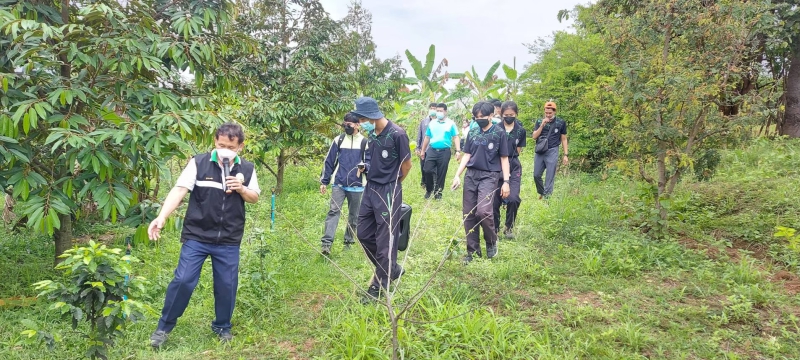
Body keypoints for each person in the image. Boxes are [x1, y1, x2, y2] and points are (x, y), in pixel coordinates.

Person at [147, 123, 260, 347]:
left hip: (228, 238)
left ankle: (222, 326)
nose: (224, 150)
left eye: (230, 146)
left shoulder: (247, 168)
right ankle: (163, 328)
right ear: (214, 142)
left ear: (240, 146)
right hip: (197, 235)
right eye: (220, 145)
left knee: (227, 285)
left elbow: (254, 197)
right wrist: (162, 217)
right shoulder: (198, 162)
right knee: (183, 280)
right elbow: (179, 189)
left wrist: (241, 188)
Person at [352, 97, 413, 303]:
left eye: (362, 119)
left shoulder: (398, 134)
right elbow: (374, 159)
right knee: (363, 233)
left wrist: (394, 183)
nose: (361, 123)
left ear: (372, 115)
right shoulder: (372, 134)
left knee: (385, 238)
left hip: (389, 190)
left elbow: (407, 166)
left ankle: (378, 286)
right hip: (370, 188)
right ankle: (391, 268)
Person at [451, 101, 510, 264]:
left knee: (483, 211)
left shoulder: (499, 133)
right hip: (471, 175)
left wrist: (506, 181)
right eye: (476, 117)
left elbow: (504, 158)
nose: (479, 119)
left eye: (482, 117)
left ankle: (491, 241)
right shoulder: (473, 132)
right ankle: (473, 252)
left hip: (490, 176)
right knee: (468, 213)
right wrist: (457, 175)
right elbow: (467, 155)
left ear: (491, 116)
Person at [319, 112, 370, 255]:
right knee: (333, 212)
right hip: (339, 183)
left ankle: (349, 241)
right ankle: (326, 244)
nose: (346, 126)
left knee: (354, 216)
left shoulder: (364, 143)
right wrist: (324, 181)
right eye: (345, 124)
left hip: (357, 185)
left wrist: (364, 167)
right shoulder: (339, 140)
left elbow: (370, 162)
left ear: (357, 125)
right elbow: (329, 161)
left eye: (349, 124)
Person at [493, 101, 526, 239]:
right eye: (506, 115)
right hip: (496, 166)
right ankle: (494, 228)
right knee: (494, 200)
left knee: (513, 198)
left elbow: (517, 151)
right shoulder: (495, 129)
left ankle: (509, 227)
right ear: (501, 115)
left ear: (516, 114)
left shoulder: (520, 130)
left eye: (511, 115)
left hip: (514, 166)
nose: (508, 117)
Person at [420, 103, 461, 200]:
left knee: (442, 172)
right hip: (432, 150)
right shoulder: (432, 123)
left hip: (445, 151)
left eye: (440, 111)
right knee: (427, 169)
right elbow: (427, 137)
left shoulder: (451, 123)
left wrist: (458, 151)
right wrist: (422, 150)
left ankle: (438, 192)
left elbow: (455, 137)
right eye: (437, 111)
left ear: (445, 112)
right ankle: (429, 189)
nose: (438, 113)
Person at [532, 101, 569, 199]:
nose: (548, 115)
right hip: (540, 151)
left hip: (553, 150)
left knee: (550, 175)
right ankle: (542, 192)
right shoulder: (539, 121)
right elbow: (534, 136)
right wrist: (542, 125)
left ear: (554, 112)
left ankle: (547, 198)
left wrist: (566, 154)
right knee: (536, 175)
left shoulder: (560, 122)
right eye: (546, 113)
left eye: (550, 113)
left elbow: (564, 139)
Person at [415, 103, 437, 187]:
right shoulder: (424, 121)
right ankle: (424, 182)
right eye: (431, 108)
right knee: (423, 166)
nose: (432, 110)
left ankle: (434, 183)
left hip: (434, 148)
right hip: (423, 148)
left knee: (433, 167)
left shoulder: (439, 122)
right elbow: (420, 135)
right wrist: (418, 147)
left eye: (434, 108)